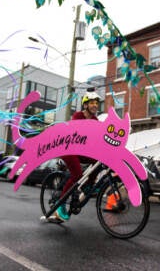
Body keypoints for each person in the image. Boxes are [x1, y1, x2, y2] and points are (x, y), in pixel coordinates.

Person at [54, 89, 101, 222]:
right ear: (85, 105)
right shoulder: (78, 115)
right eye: (92, 103)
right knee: (77, 175)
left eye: (96, 103)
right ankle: (60, 204)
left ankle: (88, 185)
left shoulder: (95, 119)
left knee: (98, 160)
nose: (95, 105)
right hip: (68, 148)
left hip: (80, 151)